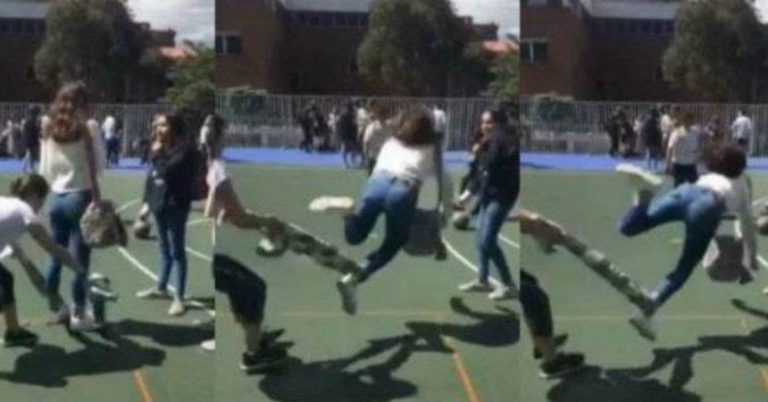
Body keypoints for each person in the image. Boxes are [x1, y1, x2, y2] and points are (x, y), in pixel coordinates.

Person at [313, 110, 447, 314]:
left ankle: (347, 214)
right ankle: (355, 277)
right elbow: (436, 184)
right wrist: (438, 213)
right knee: (393, 243)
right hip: (403, 189)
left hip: (377, 182)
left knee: (355, 237)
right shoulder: (431, 149)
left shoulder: (391, 142)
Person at [616, 145, 756, 340]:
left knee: (630, 227)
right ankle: (652, 303)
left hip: (687, 190)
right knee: (684, 269)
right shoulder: (741, 186)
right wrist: (750, 259)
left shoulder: (710, 175)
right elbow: (748, 226)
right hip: (707, 206)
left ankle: (645, 195)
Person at [199, 114, 287, 370]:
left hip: (215, 251)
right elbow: (238, 216)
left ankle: (256, 334)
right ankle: (253, 354)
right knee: (253, 288)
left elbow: (212, 210)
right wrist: (268, 222)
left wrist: (224, 212)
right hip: (216, 255)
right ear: (221, 137)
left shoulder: (212, 166)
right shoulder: (219, 169)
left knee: (245, 288)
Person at [39, 82, 106, 331]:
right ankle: (79, 312)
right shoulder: (88, 127)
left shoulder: (49, 127)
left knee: (56, 255)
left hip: (57, 197)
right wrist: (97, 199)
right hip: (80, 195)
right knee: (80, 259)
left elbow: (45, 167)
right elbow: (97, 164)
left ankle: (59, 308)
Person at [0, 175, 86, 345]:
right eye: (42, 199)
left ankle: (14, 332)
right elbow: (54, 249)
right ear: (33, 195)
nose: (42, 205)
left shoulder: (8, 206)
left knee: (5, 279)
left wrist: (46, 291)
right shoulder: (25, 213)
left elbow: (25, 261)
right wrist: (80, 270)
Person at [135, 113, 200, 316]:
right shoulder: (159, 149)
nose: (158, 129)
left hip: (176, 204)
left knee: (177, 251)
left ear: (173, 127)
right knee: (164, 248)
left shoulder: (185, 151)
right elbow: (152, 177)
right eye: (157, 126)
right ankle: (161, 287)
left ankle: (179, 297)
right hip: (158, 203)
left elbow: (166, 172)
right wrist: (146, 203)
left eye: (163, 125)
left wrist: (156, 154)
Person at [458, 109, 519, 300]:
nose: (485, 126)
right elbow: (480, 172)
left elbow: (491, 165)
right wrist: (467, 194)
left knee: (487, 240)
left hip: (501, 196)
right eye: (483, 122)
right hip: (487, 194)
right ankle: (482, 280)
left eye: (490, 122)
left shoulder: (503, 141)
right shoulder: (488, 142)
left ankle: (509, 285)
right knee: (479, 238)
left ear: (499, 124)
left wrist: (478, 153)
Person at [665, 111, 701, 187]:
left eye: (691, 120)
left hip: (691, 164)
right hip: (679, 164)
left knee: (693, 188)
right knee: (679, 188)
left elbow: (697, 148)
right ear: (683, 121)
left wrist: (697, 158)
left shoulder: (695, 134)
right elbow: (670, 148)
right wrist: (668, 164)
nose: (689, 122)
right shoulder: (677, 133)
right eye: (687, 120)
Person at [362, 102, 392, 176]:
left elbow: (366, 142)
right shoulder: (390, 127)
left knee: (371, 179)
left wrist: (365, 152)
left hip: (373, 157)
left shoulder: (371, 127)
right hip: (384, 158)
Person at [337, 101, 359, 169]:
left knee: (345, 149)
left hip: (345, 134)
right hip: (349, 134)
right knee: (351, 149)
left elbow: (339, 125)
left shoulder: (343, 115)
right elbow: (354, 125)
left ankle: (346, 163)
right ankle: (351, 163)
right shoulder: (350, 115)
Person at [22, 106, 41, 174]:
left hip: (31, 141)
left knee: (29, 155)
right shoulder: (31, 122)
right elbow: (30, 133)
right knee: (30, 155)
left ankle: (26, 168)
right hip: (31, 142)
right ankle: (30, 169)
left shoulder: (31, 121)